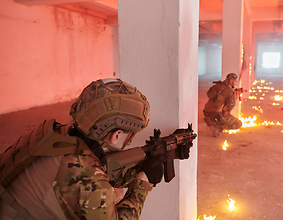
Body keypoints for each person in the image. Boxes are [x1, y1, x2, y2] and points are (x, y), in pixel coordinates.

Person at [0, 78, 164, 220]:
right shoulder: (85, 175)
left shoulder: (61, 134)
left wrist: (136, 169)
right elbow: (89, 178)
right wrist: (142, 183)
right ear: (116, 135)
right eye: (130, 136)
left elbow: (102, 165)